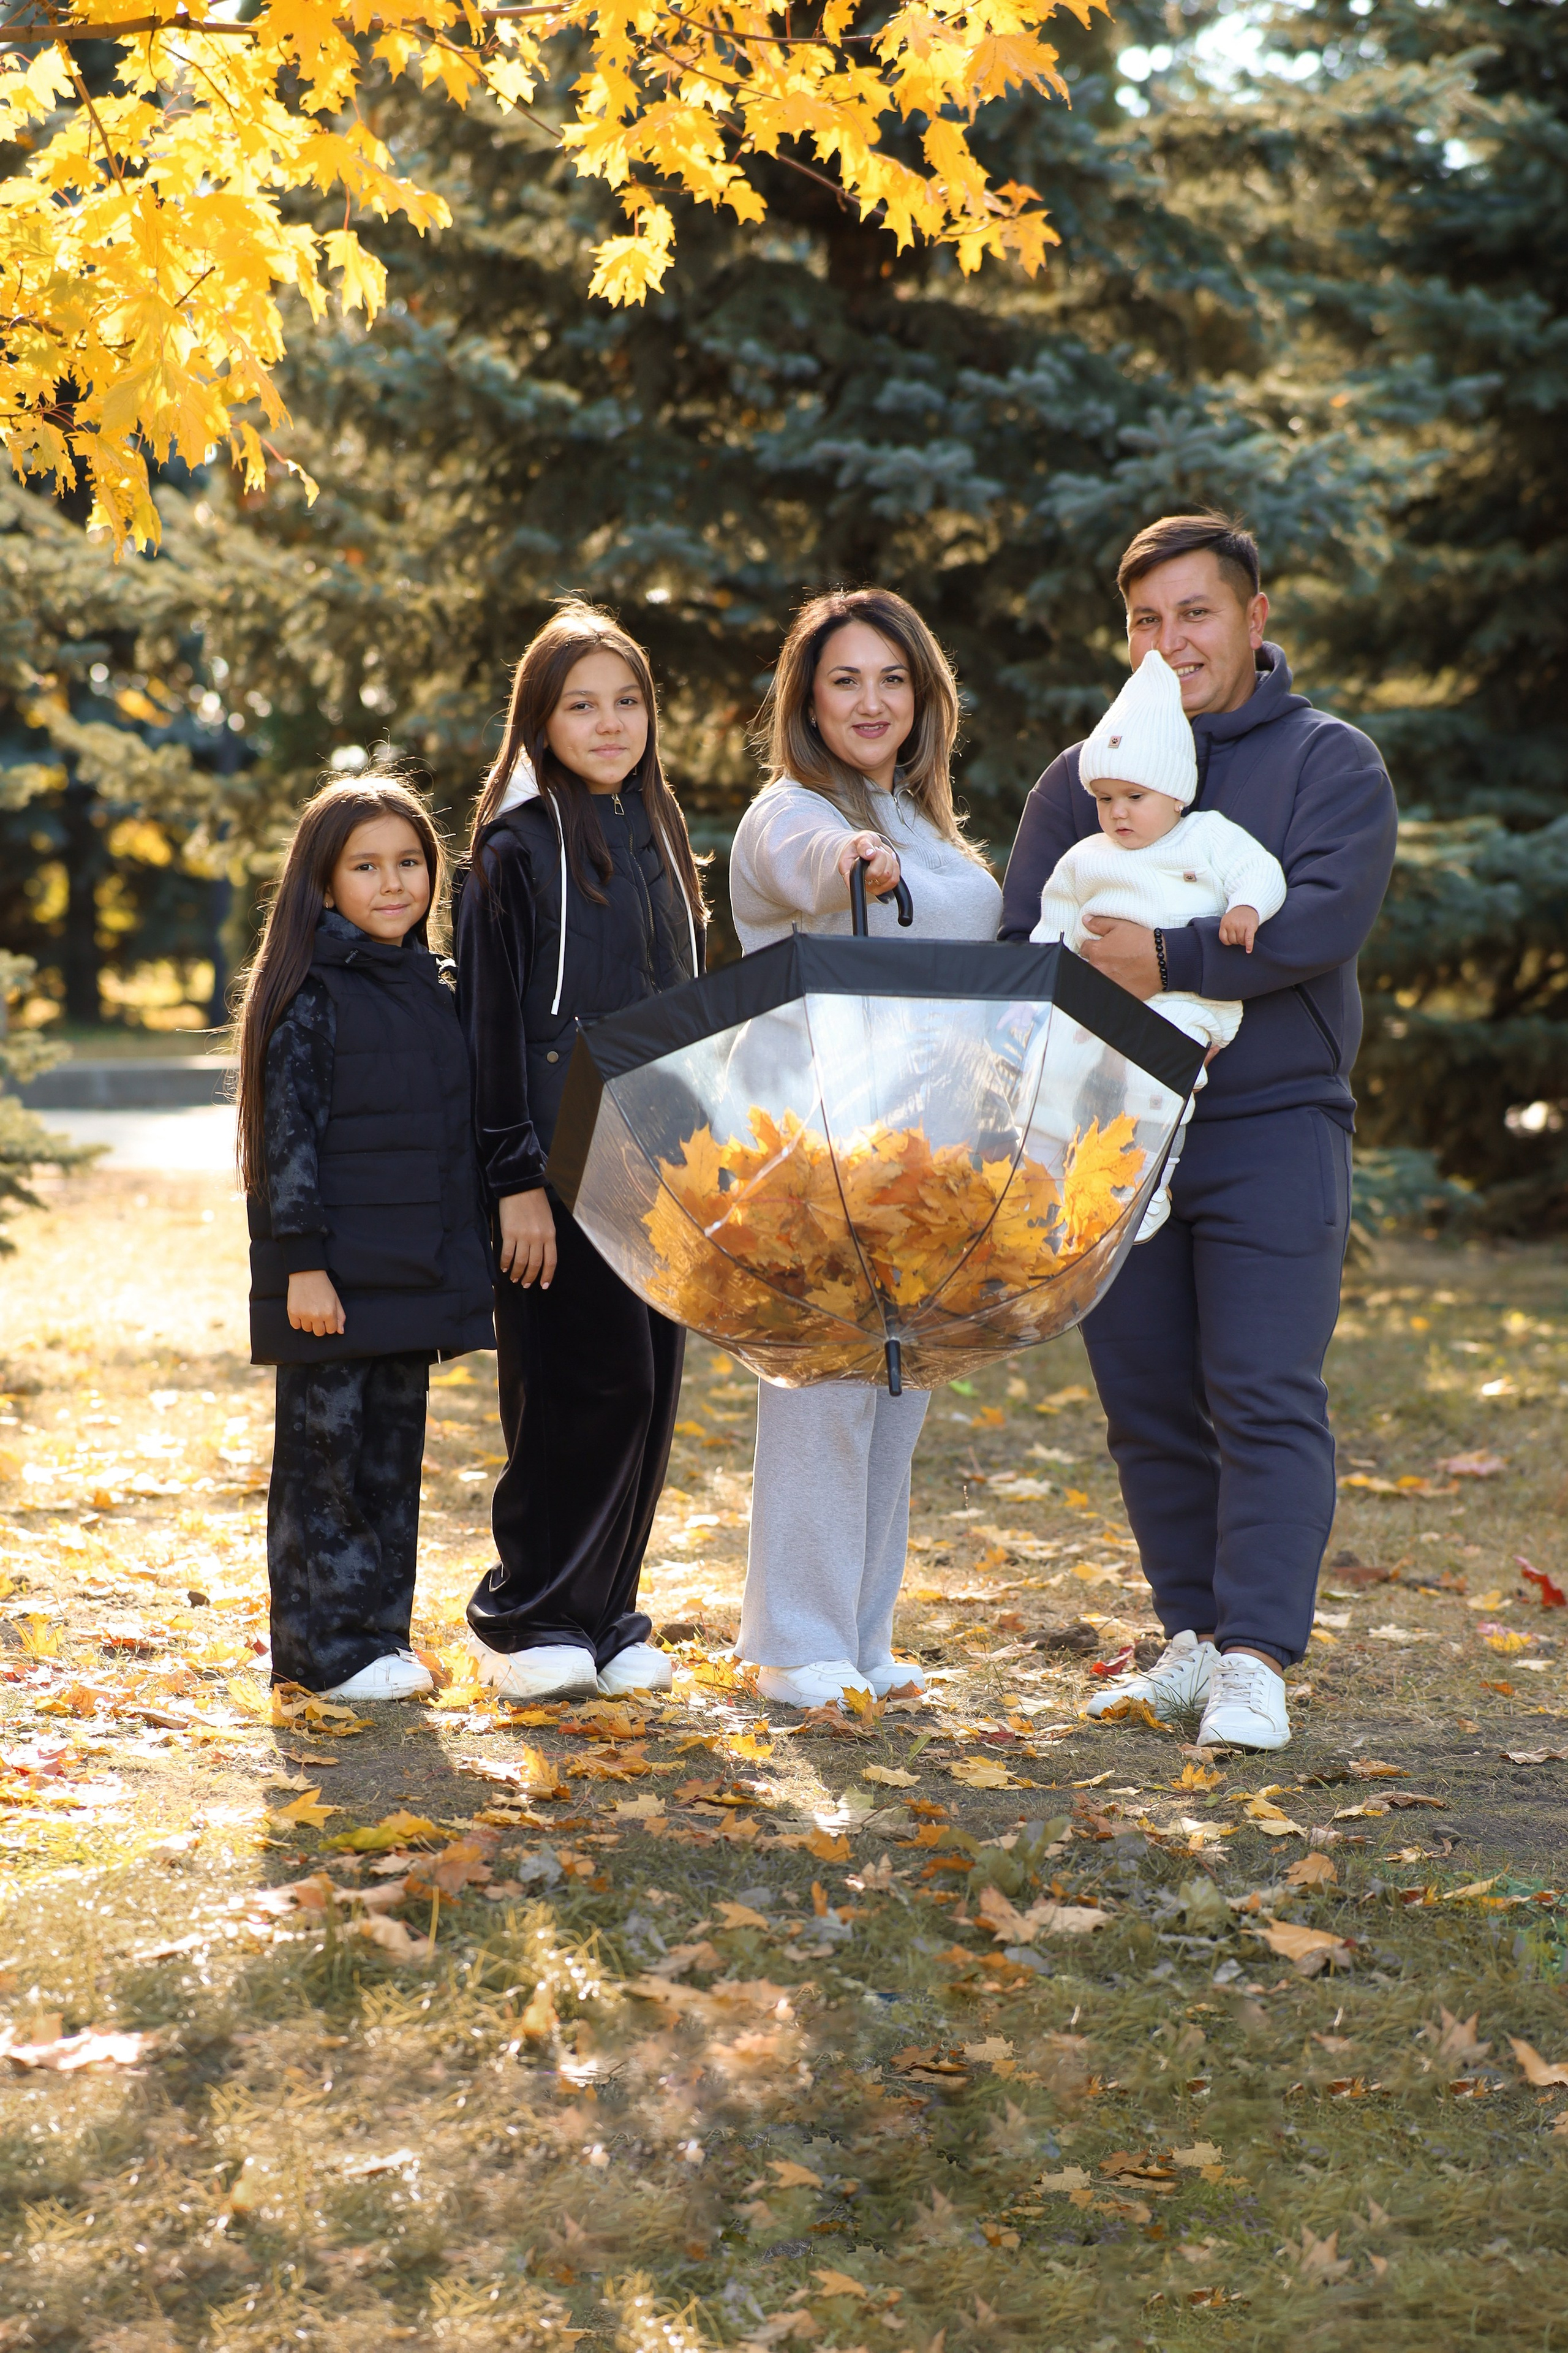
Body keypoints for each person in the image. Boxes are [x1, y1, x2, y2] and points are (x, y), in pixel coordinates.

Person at [1001, 512, 1396, 1751]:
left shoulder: (1326, 762)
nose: (1168, 642)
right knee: (1146, 1396)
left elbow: (1318, 921)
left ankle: (1254, 1659)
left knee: (1261, 1387)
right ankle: (1186, 1639)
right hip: (1115, 1134)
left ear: (1252, 619)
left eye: (1194, 614)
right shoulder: (1083, 776)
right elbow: (1018, 948)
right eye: (1144, 620)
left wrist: (1160, 955)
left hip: (1270, 1121)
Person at [729, 587, 1003, 1710]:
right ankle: (792, 1646)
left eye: (893, 679)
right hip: (819, 1150)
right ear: (808, 699)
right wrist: (852, 851)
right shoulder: (789, 813)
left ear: (924, 696)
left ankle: (860, 1634)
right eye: (845, 679)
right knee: (826, 1389)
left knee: (900, 1388)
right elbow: (805, 861)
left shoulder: (932, 827)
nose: (871, 700)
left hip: (925, 1165)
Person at [456, 602, 704, 1702]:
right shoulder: (512, 853)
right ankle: (530, 1614)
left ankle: (608, 1614)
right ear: (540, 721)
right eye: (581, 704)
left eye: (627, 701)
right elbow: (495, 1027)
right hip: (554, 1168)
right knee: (577, 1386)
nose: (609, 724)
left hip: (658, 1166)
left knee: (647, 1387)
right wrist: (514, 1178)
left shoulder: (658, 834)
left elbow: (686, 1010)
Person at [238, 774, 496, 1700]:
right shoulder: (313, 994)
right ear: (324, 882)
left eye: (410, 862)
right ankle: (321, 1652)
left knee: (390, 1463)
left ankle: (381, 1638)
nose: (393, 884)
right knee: (326, 1470)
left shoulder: (430, 987)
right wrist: (302, 1263)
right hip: (334, 1277)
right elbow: (288, 1143)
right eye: (366, 866)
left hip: (406, 1271)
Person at [1028, 646, 1286, 1239]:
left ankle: (1143, 1179)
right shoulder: (1085, 859)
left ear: (1175, 794)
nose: (1117, 813)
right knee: (1057, 1065)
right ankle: (1044, 1164)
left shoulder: (1206, 837)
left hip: (1185, 995)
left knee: (1157, 1077)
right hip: (1096, 1001)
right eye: (1104, 798)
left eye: (1134, 798)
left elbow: (1260, 870)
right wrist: (1040, 983)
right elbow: (1054, 921)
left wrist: (1246, 907)